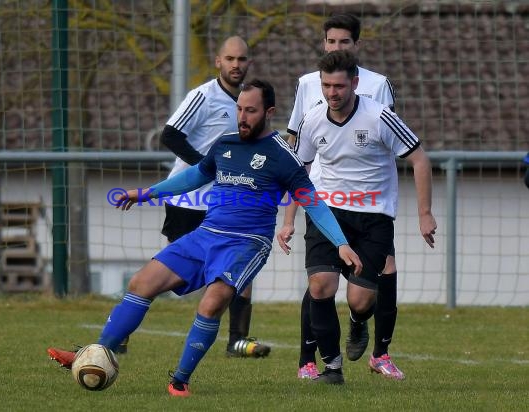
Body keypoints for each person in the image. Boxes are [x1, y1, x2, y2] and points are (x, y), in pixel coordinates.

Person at [47, 79, 363, 397]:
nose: (242, 116)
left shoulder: (283, 156)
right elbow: (194, 175)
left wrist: (341, 243)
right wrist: (146, 193)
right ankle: (95, 352)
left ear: (269, 112)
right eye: (239, 108)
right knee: (141, 283)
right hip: (204, 235)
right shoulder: (225, 144)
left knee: (211, 304)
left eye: (250, 111)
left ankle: (180, 381)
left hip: (247, 243)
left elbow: (314, 203)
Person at [278, 50, 437, 383]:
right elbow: (300, 172)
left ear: (354, 83)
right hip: (326, 212)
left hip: (372, 217)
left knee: (361, 300)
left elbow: (420, 160)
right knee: (320, 285)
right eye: (326, 85)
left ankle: (359, 320)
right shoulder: (313, 118)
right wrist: (289, 219)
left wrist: (425, 214)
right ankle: (332, 369)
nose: (332, 93)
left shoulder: (379, 117)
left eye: (338, 86)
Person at [122, 35, 270, 358]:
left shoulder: (250, 104)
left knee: (239, 270)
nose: (236, 65)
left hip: (225, 203)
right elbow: (170, 135)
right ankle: (122, 328)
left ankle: (237, 340)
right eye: (229, 59)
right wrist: (206, 168)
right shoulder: (203, 96)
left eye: (242, 60)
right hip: (187, 202)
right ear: (218, 61)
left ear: (248, 63)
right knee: (170, 278)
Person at [286, 13, 398, 380]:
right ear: (324, 44)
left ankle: (374, 344)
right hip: (322, 198)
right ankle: (311, 361)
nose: (337, 47)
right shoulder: (307, 84)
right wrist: (289, 212)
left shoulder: (379, 86)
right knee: (320, 281)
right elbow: (296, 146)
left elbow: (390, 141)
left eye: (344, 42)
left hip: (370, 201)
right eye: (331, 41)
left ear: (356, 46)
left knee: (371, 283)